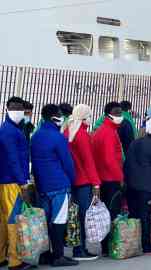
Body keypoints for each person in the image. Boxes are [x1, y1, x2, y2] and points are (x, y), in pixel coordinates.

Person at [31, 104, 78, 267]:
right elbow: (67, 163)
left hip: (42, 185)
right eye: (60, 115)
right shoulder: (58, 137)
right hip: (59, 184)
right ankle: (58, 256)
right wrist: (72, 180)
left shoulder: (35, 136)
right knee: (58, 220)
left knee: (45, 220)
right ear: (53, 117)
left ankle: (45, 254)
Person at [124, 117, 151, 253]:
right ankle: (146, 244)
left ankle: (132, 242)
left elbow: (127, 164)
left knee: (134, 215)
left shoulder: (135, 143)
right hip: (147, 188)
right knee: (145, 216)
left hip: (131, 186)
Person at [63, 104, 100, 261]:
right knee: (83, 215)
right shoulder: (82, 135)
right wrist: (96, 183)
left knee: (72, 215)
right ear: (84, 117)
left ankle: (74, 246)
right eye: (89, 116)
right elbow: (88, 162)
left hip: (69, 180)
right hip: (83, 180)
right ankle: (80, 249)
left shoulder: (67, 131)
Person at [0, 97, 33, 270]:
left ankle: (1, 256)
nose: (19, 111)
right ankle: (15, 260)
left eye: (21, 108)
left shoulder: (9, 128)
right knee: (13, 222)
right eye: (15, 108)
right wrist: (23, 183)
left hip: (5, 180)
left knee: (4, 221)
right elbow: (14, 159)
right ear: (8, 108)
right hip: (12, 182)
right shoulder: (10, 131)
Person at [91, 102, 124, 257]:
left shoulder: (100, 131)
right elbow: (110, 159)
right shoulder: (109, 133)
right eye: (116, 113)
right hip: (111, 179)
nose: (119, 116)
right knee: (111, 213)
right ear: (108, 114)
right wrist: (121, 178)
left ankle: (105, 245)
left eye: (120, 112)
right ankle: (109, 245)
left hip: (102, 178)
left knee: (105, 213)